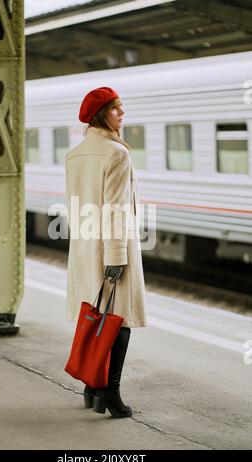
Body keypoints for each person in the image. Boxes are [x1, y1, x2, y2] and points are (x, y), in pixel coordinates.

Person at [65, 87, 148, 418]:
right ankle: (110, 393)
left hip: (86, 246)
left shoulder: (76, 154)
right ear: (102, 115)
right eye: (116, 109)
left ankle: (91, 389)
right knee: (118, 323)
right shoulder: (117, 153)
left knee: (96, 317)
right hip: (112, 246)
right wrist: (116, 257)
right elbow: (115, 209)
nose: (122, 114)